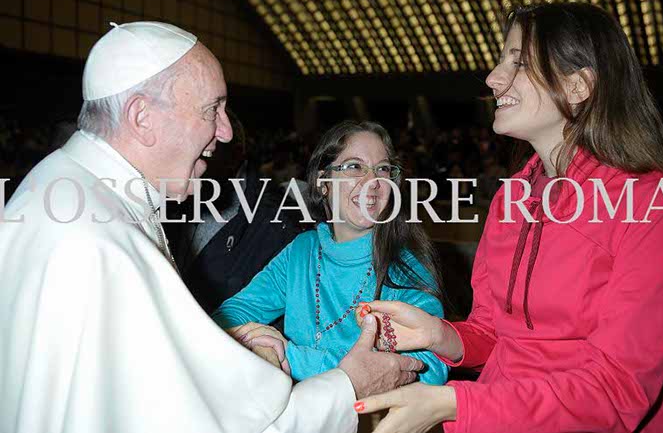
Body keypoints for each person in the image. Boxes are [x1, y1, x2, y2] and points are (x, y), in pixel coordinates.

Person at [0, 22, 425, 433]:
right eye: (212, 110)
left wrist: (248, 342)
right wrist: (345, 383)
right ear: (141, 117)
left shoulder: (69, 193)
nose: (225, 132)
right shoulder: (94, 240)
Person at [351, 3, 663, 433]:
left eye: (517, 62)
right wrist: (439, 335)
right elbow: (495, 334)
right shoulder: (512, 197)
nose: (493, 78)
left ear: (577, 86)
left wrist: (456, 404)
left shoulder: (654, 207)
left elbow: (619, 389)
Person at [212, 121, 449, 385]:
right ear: (323, 182)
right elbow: (232, 314)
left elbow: (430, 367)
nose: (373, 181)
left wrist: (287, 358)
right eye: (355, 167)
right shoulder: (302, 251)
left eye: (383, 169)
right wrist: (252, 340)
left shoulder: (405, 266)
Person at [168, 111, 301, 315]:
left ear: (236, 154)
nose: (196, 156)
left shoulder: (276, 222)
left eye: (210, 148)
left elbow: (277, 310)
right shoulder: (173, 199)